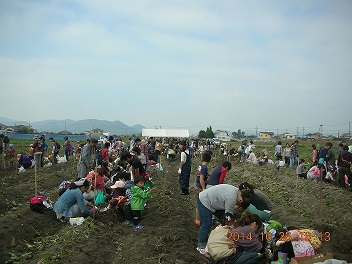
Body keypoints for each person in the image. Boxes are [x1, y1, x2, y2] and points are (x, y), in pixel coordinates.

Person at [196, 184, 251, 254]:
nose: (238, 206)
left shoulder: (237, 192)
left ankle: (218, 231)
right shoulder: (232, 198)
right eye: (240, 205)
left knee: (225, 219)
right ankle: (201, 246)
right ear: (240, 200)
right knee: (206, 224)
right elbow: (228, 217)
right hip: (205, 201)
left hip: (215, 202)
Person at [194, 152, 212, 226]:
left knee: (198, 203)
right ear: (209, 160)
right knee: (199, 204)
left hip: (197, 186)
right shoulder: (204, 168)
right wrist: (204, 189)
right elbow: (201, 179)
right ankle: (198, 220)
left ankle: (198, 219)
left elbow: (200, 173)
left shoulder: (201, 166)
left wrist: (209, 174)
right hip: (200, 187)